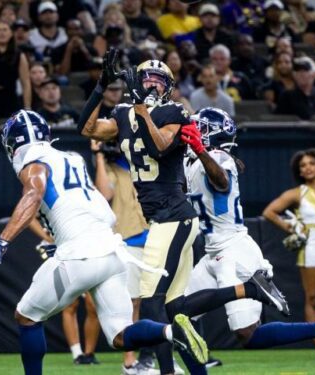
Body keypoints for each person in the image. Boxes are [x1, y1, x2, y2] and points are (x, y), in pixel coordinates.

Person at [0, 109, 264, 375]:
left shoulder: (32, 162)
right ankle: (170, 332)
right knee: (120, 337)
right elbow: (103, 210)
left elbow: (34, 192)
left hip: (80, 255)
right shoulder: (72, 158)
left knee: (26, 316)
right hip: (113, 251)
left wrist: (2, 241)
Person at [77, 51, 289, 374]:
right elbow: (87, 128)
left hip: (174, 216)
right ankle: (248, 291)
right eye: (145, 76)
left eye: (158, 78)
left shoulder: (173, 111)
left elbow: (159, 145)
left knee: (151, 300)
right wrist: (101, 85)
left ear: (168, 87)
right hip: (161, 218)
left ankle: (166, 370)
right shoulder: (121, 114)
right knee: (176, 309)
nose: (150, 82)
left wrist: (140, 110)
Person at [182, 109, 315, 371]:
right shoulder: (193, 162)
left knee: (248, 335)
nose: (195, 132)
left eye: (201, 128)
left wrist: (199, 148)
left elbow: (220, 182)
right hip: (211, 252)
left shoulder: (219, 158)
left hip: (233, 251)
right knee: (179, 318)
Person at [262, 148, 315, 361]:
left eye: (311, 164)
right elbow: (269, 212)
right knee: (312, 297)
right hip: (311, 247)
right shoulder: (298, 193)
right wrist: (291, 228)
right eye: (303, 165)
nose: (307, 168)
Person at [90, 138, 153, 373]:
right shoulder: (110, 168)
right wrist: (98, 155)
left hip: (155, 236)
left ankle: (157, 355)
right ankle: (130, 360)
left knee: (160, 299)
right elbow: (104, 194)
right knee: (133, 303)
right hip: (128, 239)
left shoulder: (143, 164)